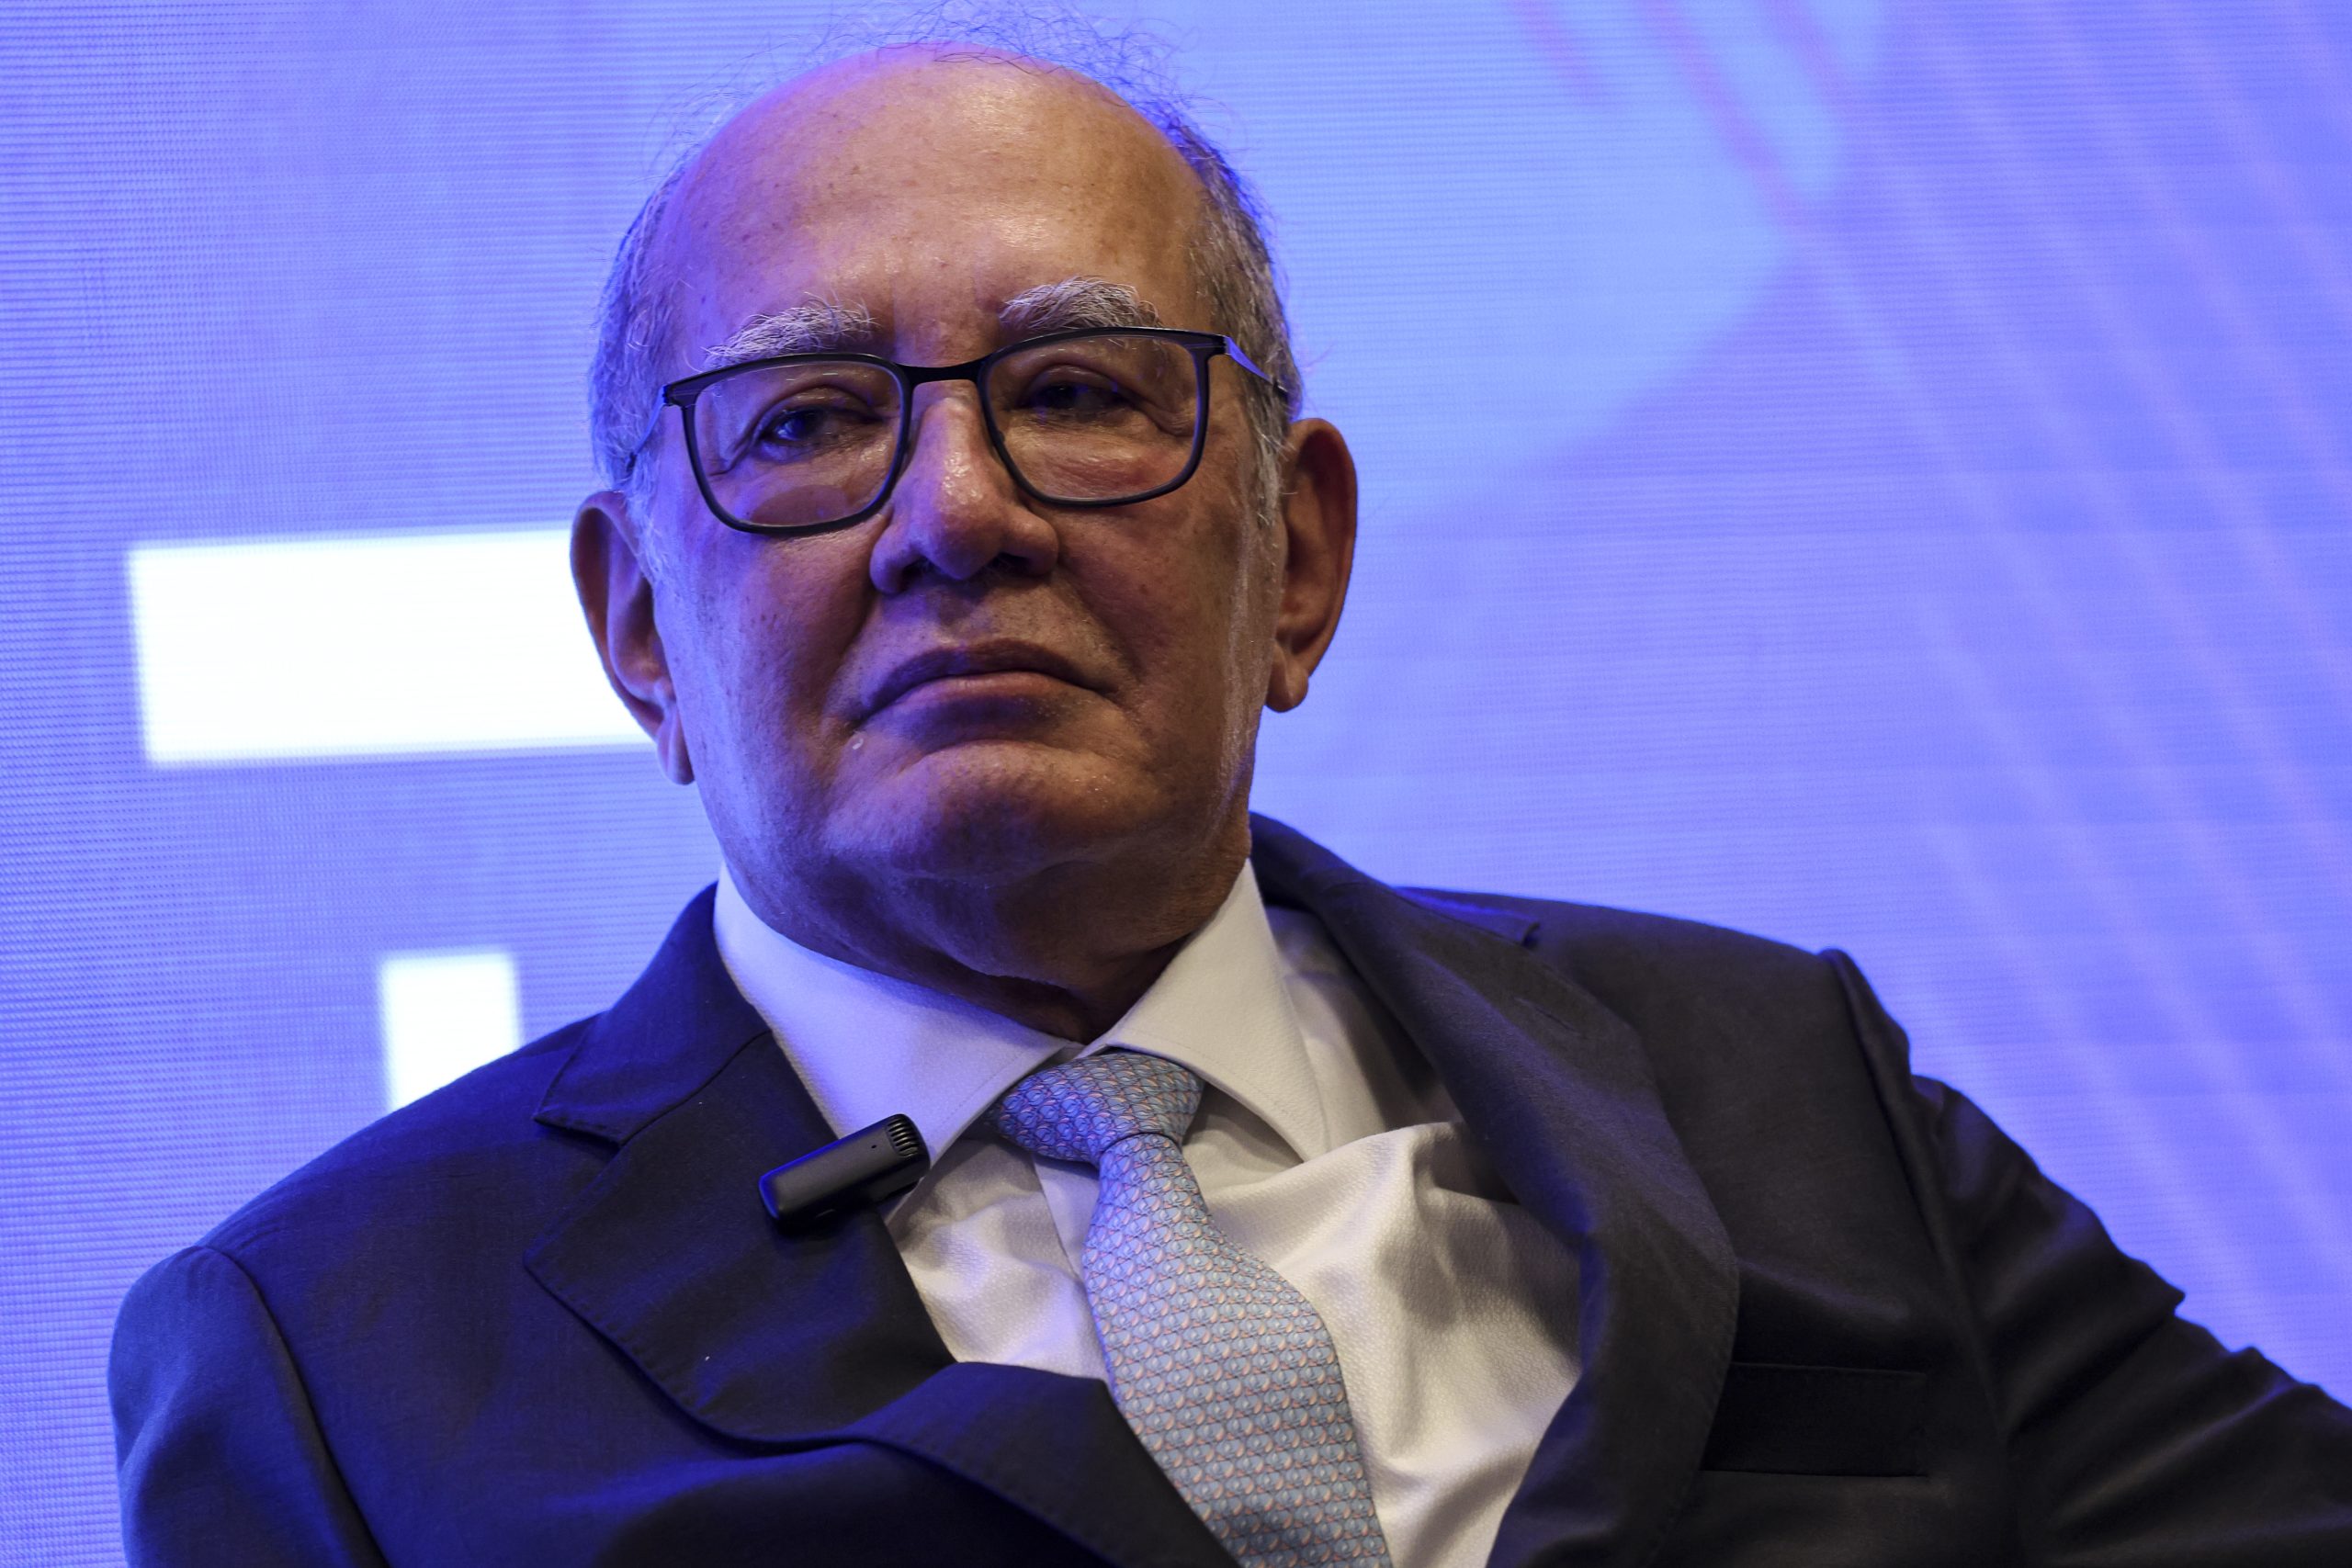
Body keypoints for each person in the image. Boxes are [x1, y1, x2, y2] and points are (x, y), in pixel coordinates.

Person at [108, 27, 2352, 1568]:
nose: (952, 513)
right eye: (804, 422)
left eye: (1080, 389)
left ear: (1299, 557)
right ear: (634, 629)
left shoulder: (1769, 1078)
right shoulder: (334, 1354)